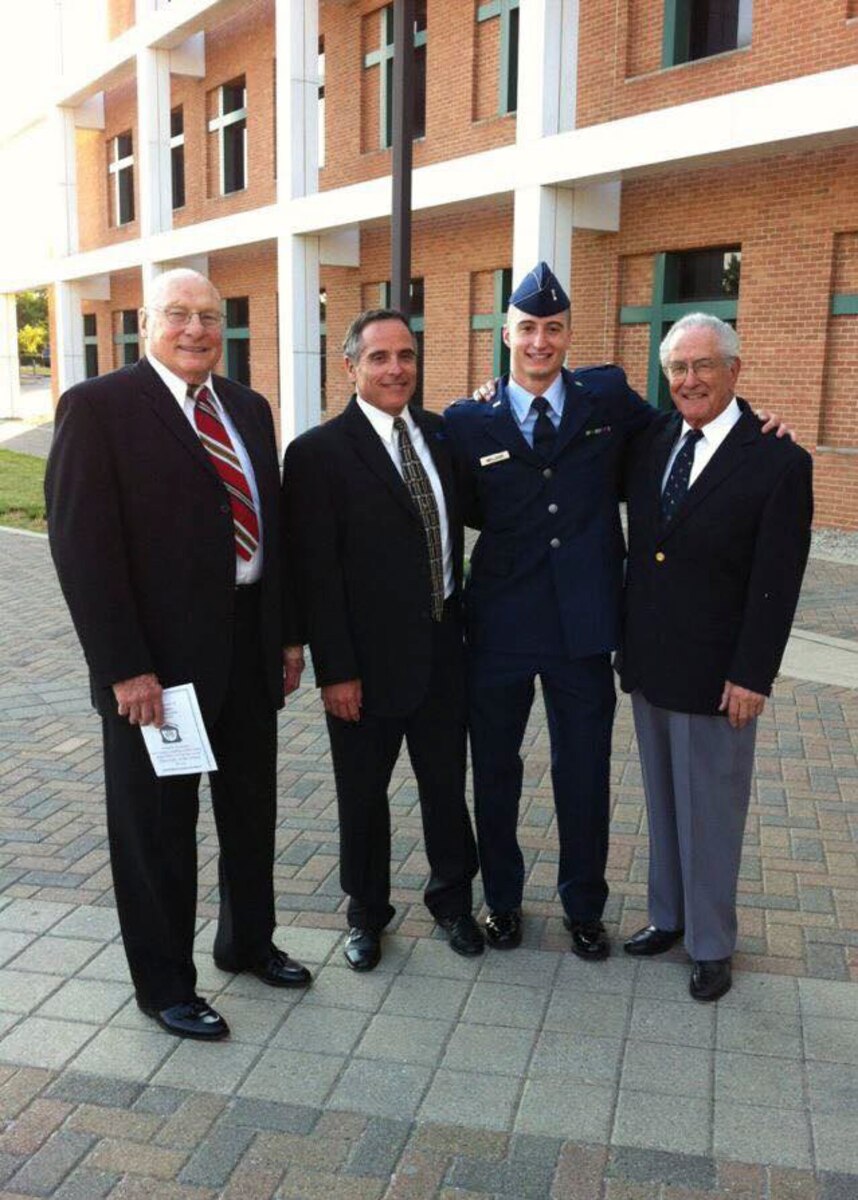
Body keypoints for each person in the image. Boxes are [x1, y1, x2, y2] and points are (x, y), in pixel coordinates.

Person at [45, 268, 311, 1042]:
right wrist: (124, 666)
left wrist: (288, 635)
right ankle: (164, 985)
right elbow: (82, 549)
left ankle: (247, 942)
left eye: (208, 316)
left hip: (249, 646)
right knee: (157, 830)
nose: (195, 330)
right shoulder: (98, 408)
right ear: (146, 323)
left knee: (250, 812)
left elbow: (276, 529)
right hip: (156, 671)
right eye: (178, 315)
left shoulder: (249, 407)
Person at [444, 263, 654, 959]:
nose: (540, 341)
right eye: (527, 328)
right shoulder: (468, 420)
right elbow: (466, 510)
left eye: (553, 329)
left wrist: (752, 418)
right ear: (505, 334)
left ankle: (583, 908)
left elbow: (673, 434)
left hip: (584, 627)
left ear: (569, 335)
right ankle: (502, 902)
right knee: (496, 772)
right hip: (499, 627)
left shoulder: (608, 397)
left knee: (584, 772)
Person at [281, 308, 482, 972]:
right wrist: (334, 669)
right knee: (362, 798)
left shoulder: (441, 435)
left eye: (407, 356)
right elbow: (316, 572)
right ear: (350, 367)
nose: (396, 369)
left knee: (446, 789)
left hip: (443, 655)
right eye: (379, 358)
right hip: (362, 670)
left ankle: (453, 902)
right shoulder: (317, 454)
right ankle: (366, 914)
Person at [618, 312, 812, 1001]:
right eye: (678, 368)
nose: (690, 380)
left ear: (735, 369)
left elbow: (776, 580)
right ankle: (668, 918)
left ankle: (711, 942)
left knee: (712, 811)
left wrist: (752, 674)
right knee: (665, 804)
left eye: (703, 366)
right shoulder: (653, 440)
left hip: (719, 674)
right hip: (650, 664)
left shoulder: (778, 460)